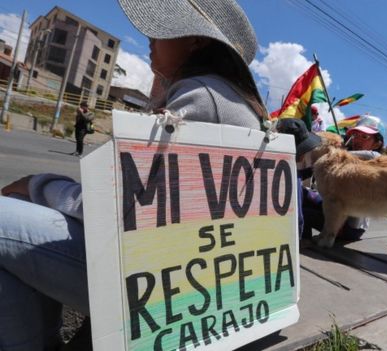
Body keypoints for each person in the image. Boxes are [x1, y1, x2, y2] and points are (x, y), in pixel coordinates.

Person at [0, 0, 267, 349]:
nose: (150, 38)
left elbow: (113, 203)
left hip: (163, 286)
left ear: (196, 41)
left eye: (162, 28)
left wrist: (35, 184)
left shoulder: (202, 97)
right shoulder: (229, 99)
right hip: (189, 276)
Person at [302, 115, 387, 241]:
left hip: (349, 227)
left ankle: (303, 241)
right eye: (355, 135)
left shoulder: (376, 161)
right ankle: (305, 237)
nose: (357, 140)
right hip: (333, 208)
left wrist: (333, 152)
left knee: (302, 212)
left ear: (377, 144)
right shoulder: (341, 157)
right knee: (300, 194)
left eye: (364, 137)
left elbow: (374, 155)